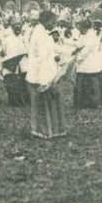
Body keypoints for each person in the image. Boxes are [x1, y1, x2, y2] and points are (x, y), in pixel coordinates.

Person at [26, 11, 67, 139]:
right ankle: (43, 130)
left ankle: (52, 129)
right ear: (46, 21)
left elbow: (51, 50)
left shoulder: (43, 33)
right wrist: (44, 81)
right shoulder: (40, 34)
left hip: (46, 71)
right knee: (43, 103)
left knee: (51, 102)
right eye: (52, 22)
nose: (54, 25)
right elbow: (42, 59)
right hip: (40, 74)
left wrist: (67, 52)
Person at [73, 18, 102, 109]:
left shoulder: (91, 36)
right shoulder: (84, 35)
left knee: (92, 83)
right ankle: (83, 102)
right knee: (83, 82)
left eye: (80, 27)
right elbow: (79, 45)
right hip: (84, 64)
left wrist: (77, 58)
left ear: (85, 27)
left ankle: (95, 103)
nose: (79, 30)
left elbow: (86, 50)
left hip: (91, 63)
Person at [0, 20, 29, 107]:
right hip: (11, 64)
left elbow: (28, 50)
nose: (17, 27)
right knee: (11, 83)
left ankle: (23, 100)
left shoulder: (24, 38)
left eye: (19, 25)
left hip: (23, 64)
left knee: (23, 83)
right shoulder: (7, 39)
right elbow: (3, 52)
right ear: (12, 27)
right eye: (15, 25)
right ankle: (13, 101)